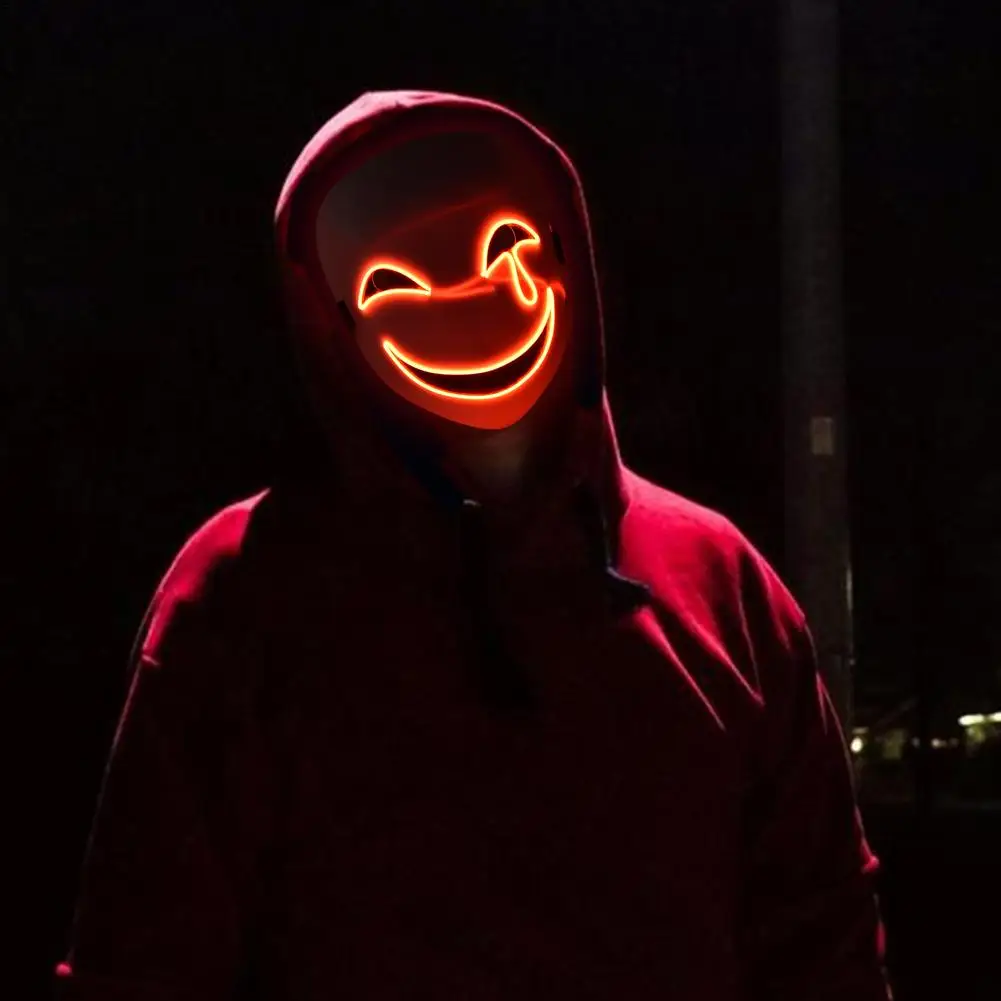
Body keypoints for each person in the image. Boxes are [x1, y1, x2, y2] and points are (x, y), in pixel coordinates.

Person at [54, 90, 891, 1000]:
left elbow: (824, 945)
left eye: (510, 247)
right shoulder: (240, 593)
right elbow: (141, 962)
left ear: (568, 253)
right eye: (392, 282)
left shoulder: (719, 583)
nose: (474, 298)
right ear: (324, 319)